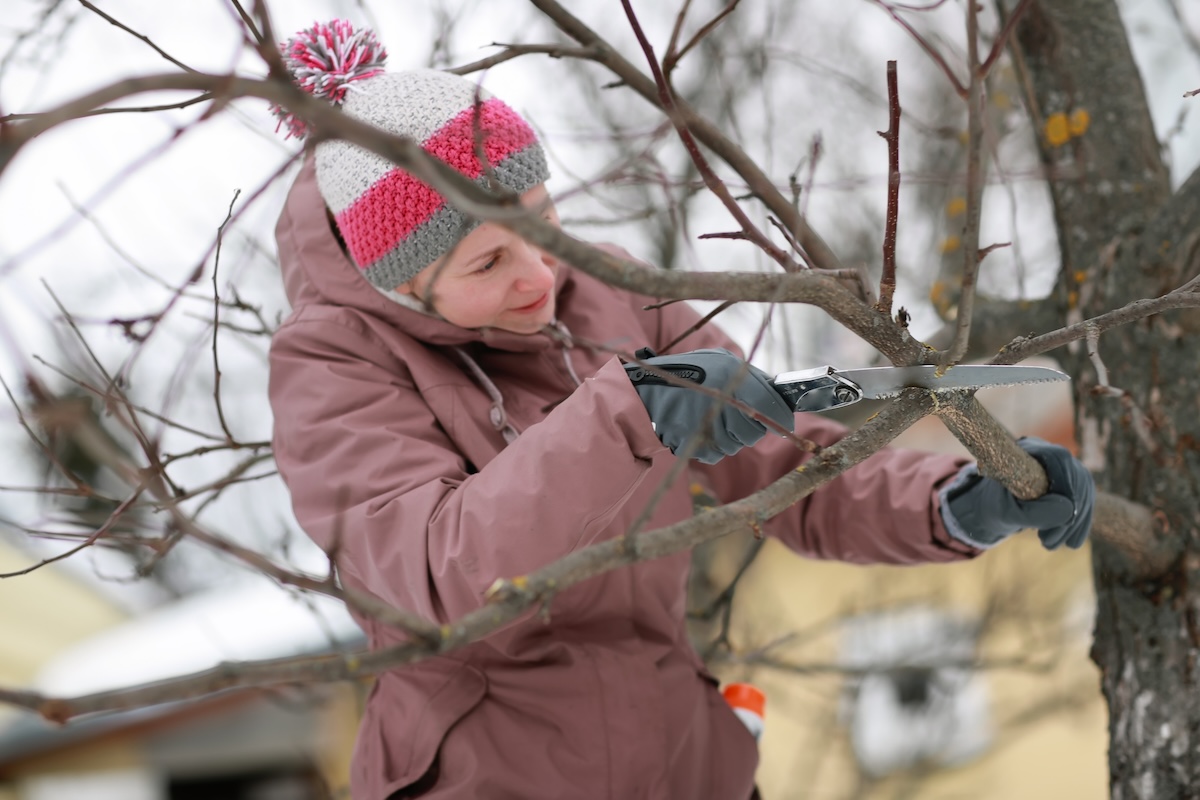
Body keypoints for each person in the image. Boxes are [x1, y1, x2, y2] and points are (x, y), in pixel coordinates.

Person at [266, 20, 1094, 800]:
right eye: (487, 260)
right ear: (400, 283)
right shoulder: (333, 362)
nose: (539, 276)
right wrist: (632, 418)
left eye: (545, 224)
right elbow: (425, 573)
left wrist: (954, 503)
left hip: (683, 761)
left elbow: (778, 458)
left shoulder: (613, 292)